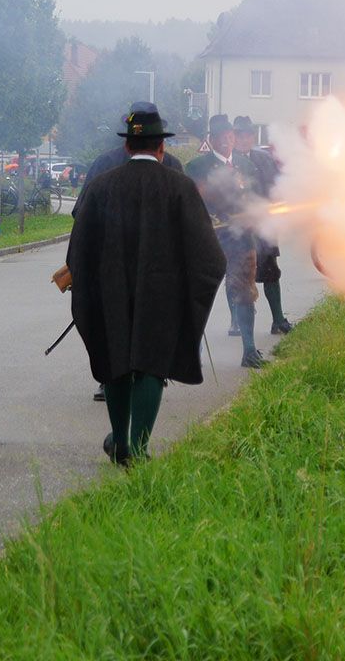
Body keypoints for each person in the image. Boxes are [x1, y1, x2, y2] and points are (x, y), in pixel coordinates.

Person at [67, 104, 225, 465]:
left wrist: (90, 289)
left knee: (118, 361)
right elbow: (211, 259)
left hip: (110, 294)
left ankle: (120, 444)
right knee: (151, 365)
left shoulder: (101, 187)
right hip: (163, 296)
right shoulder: (180, 187)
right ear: (161, 147)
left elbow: (79, 250)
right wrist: (191, 296)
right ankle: (138, 450)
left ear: (127, 146)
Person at [185, 114, 265, 368]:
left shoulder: (246, 165)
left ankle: (249, 350)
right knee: (200, 295)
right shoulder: (197, 167)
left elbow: (256, 196)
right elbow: (193, 203)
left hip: (241, 241)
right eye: (221, 136)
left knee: (245, 293)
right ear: (211, 139)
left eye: (230, 135)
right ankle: (191, 354)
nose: (227, 140)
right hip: (210, 241)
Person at [233, 116, 293, 335]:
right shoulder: (228, 161)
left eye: (248, 134)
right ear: (233, 136)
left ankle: (278, 320)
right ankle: (236, 322)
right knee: (237, 275)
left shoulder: (265, 159)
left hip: (265, 225)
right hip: (239, 228)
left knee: (271, 272)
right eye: (239, 134)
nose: (244, 139)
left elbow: (278, 186)